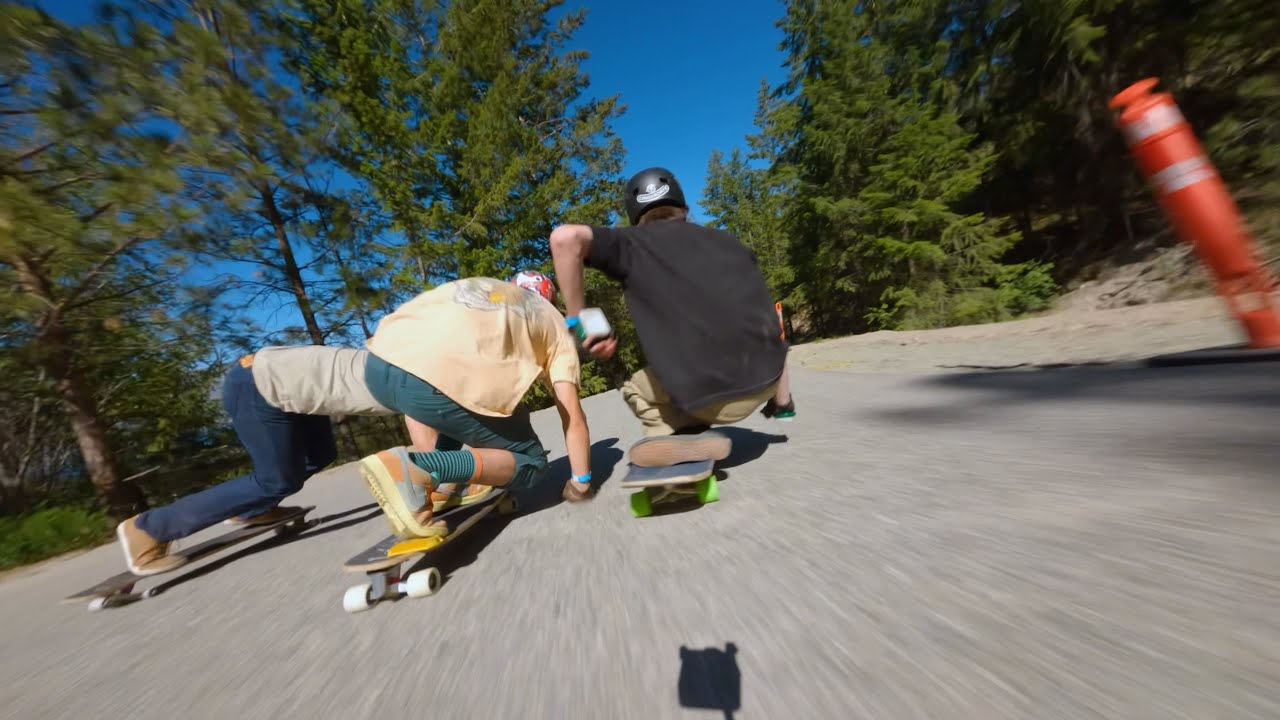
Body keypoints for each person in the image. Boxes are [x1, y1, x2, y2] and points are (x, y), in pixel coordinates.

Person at [115, 273, 594, 576]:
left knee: (317, 458)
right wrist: (437, 475)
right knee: (275, 478)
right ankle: (147, 529)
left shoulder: (423, 337)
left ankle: (251, 510)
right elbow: (424, 410)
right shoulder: (413, 367)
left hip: (286, 388)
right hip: (256, 388)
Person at [549, 166, 796, 467]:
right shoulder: (730, 243)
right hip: (767, 382)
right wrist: (781, 401)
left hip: (710, 400)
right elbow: (770, 320)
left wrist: (578, 320)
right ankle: (764, 407)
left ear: (634, 216)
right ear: (684, 208)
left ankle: (678, 441)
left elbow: (564, 239)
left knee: (633, 388)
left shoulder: (631, 243)